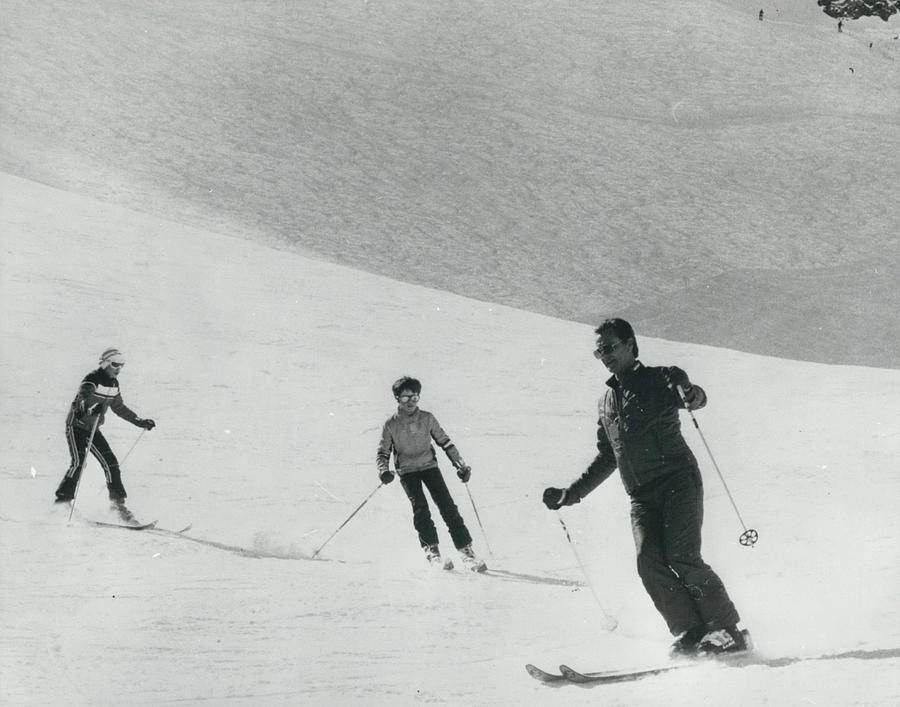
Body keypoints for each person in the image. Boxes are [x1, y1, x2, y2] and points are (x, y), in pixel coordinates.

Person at [542, 319, 748, 656]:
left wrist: (688, 388)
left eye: (609, 347)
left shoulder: (659, 378)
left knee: (682, 556)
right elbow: (608, 457)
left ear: (629, 344)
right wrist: (571, 494)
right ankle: (693, 631)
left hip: (677, 482)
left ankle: (728, 630)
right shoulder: (606, 403)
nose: (604, 356)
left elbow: (695, 399)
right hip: (641, 495)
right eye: (599, 351)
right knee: (648, 562)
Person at [376, 376, 486, 572]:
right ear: (397, 399)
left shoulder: (427, 418)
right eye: (405, 398)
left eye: (414, 398)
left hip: (429, 467)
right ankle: (432, 551)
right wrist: (384, 471)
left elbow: (445, 442)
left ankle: (466, 551)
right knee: (421, 509)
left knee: (448, 507)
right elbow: (383, 452)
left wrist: (461, 466)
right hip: (407, 471)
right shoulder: (391, 424)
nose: (410, 403)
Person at [54, 348, 156, 518]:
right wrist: (91, 408)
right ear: (106, 363)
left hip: (93, 429)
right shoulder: (92, 380)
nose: (118, 369)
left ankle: (117, 506)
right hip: (76, 426)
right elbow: (81, 401)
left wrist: (140, 421)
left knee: (111, 464)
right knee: (79, 462)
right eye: (115, 364)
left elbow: (119, 408)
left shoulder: (114, 385)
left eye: (121, 365)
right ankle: (62, 503)